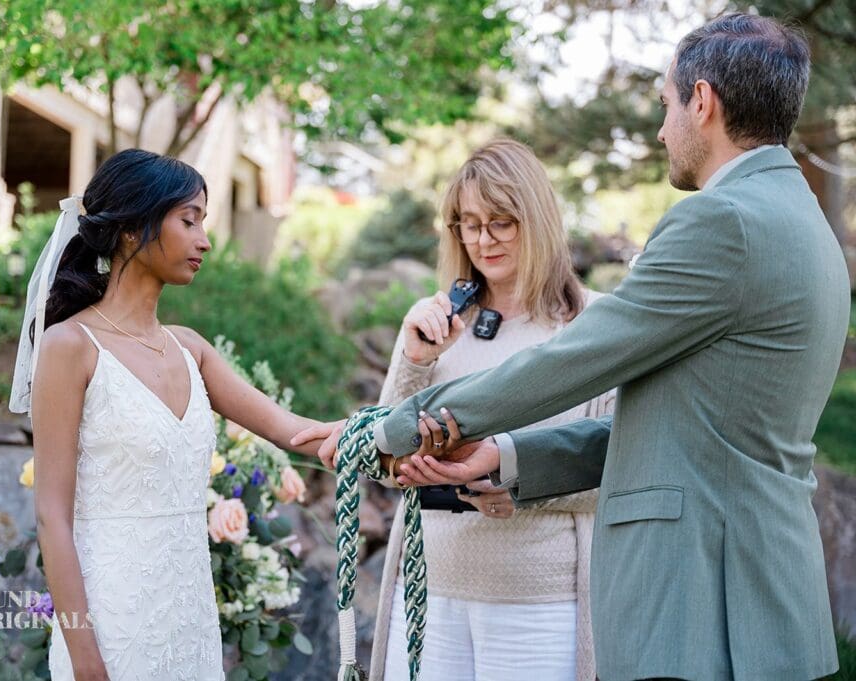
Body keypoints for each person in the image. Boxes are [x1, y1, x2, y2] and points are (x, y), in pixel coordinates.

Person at [329, 13, 847, 681]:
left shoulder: (722, 221)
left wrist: (397, 427)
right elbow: (681, 430)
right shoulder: (803, 220)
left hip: (704, 598)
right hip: (757, 595)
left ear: (702, 101)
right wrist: (506, 455)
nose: (662, 131)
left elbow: (574, 359)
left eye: (665, 106)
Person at [9, 149, 329, 681]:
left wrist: (398, 433)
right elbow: (52, 518)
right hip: (112, 626)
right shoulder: (70, 347)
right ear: (134, 228)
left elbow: (295, 431)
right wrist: (86, 660)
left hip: (191, 621)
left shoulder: (190, 349)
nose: (204, 239)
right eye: (190, 219)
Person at [368, 139, 615, 681]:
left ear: (538, 218)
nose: (483, 240)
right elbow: (381, 461)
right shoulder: (433, 321)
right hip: (427, 592)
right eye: (468, 224)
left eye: (501, 222)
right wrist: (414, 361)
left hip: (541, 604)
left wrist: (517, 485)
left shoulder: (596, 325)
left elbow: (619, 468)